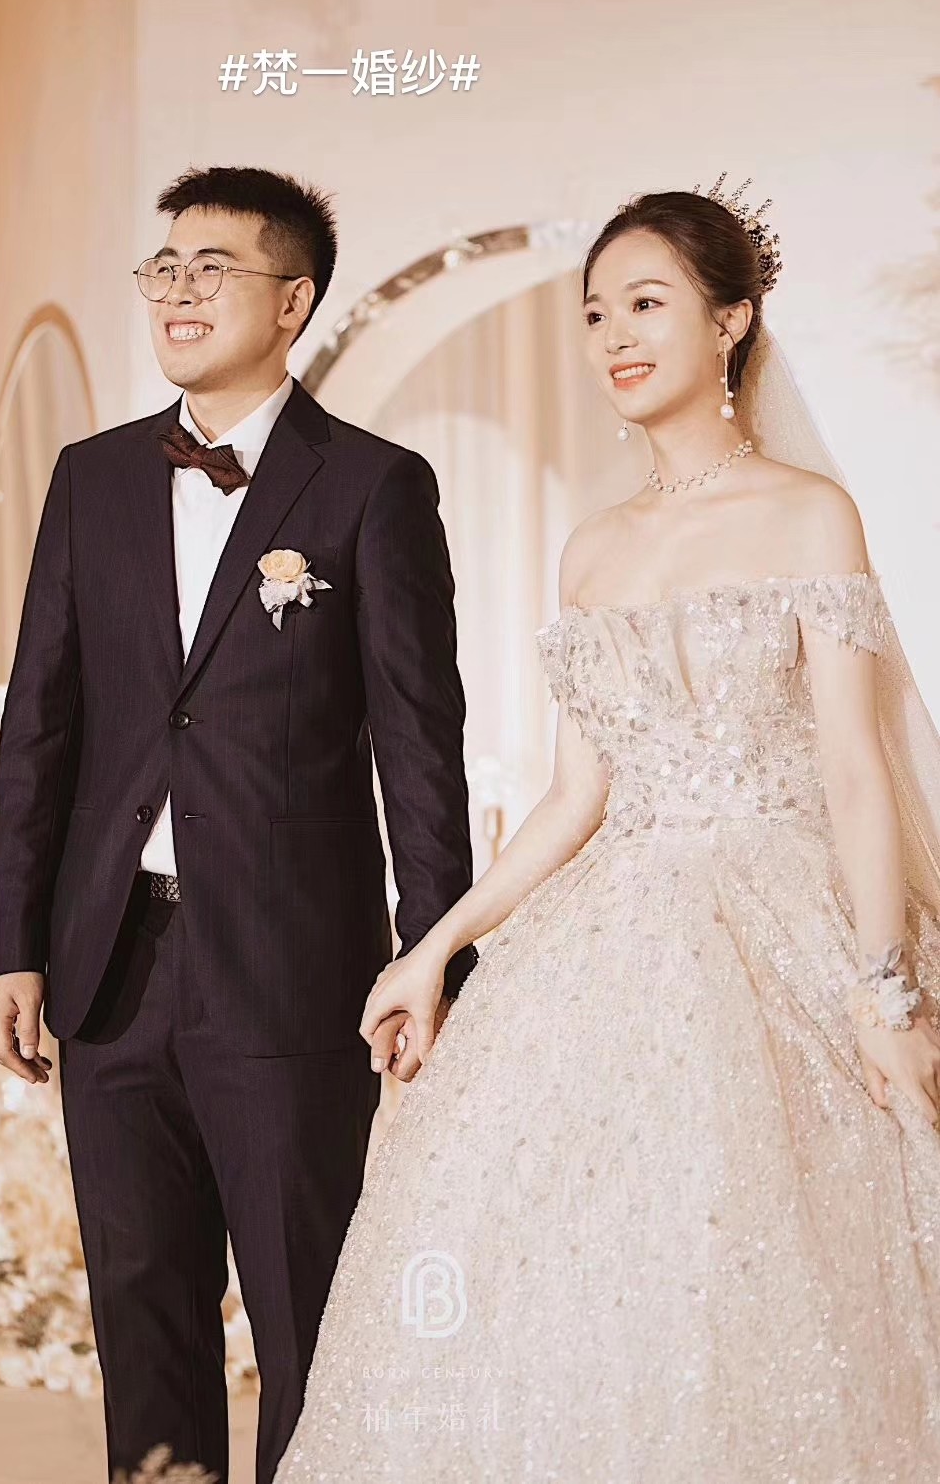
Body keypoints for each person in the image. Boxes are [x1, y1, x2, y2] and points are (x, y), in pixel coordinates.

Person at [273, 183, 940, 1482]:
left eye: (646, 303)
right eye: (594, 314)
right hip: (609, 937)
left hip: (779, 926)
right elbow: (577, 798)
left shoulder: (810, 512)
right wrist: (436, 948)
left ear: (731, 320)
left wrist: (885, 992)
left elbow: (857, 772)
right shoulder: (593, 548)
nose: (614, 336)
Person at [0, 164, 479, 1484]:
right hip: (111, 966)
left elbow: (420, 747)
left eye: (213, 267)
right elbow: (41, 726)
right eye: (165, 267)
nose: (179, 290)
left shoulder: (372, 486)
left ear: (293, 299)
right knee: (142, 1315)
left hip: (290, 971)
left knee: (308, 1316)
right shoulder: (91, 479)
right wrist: (13, 945)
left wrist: (433, 958)